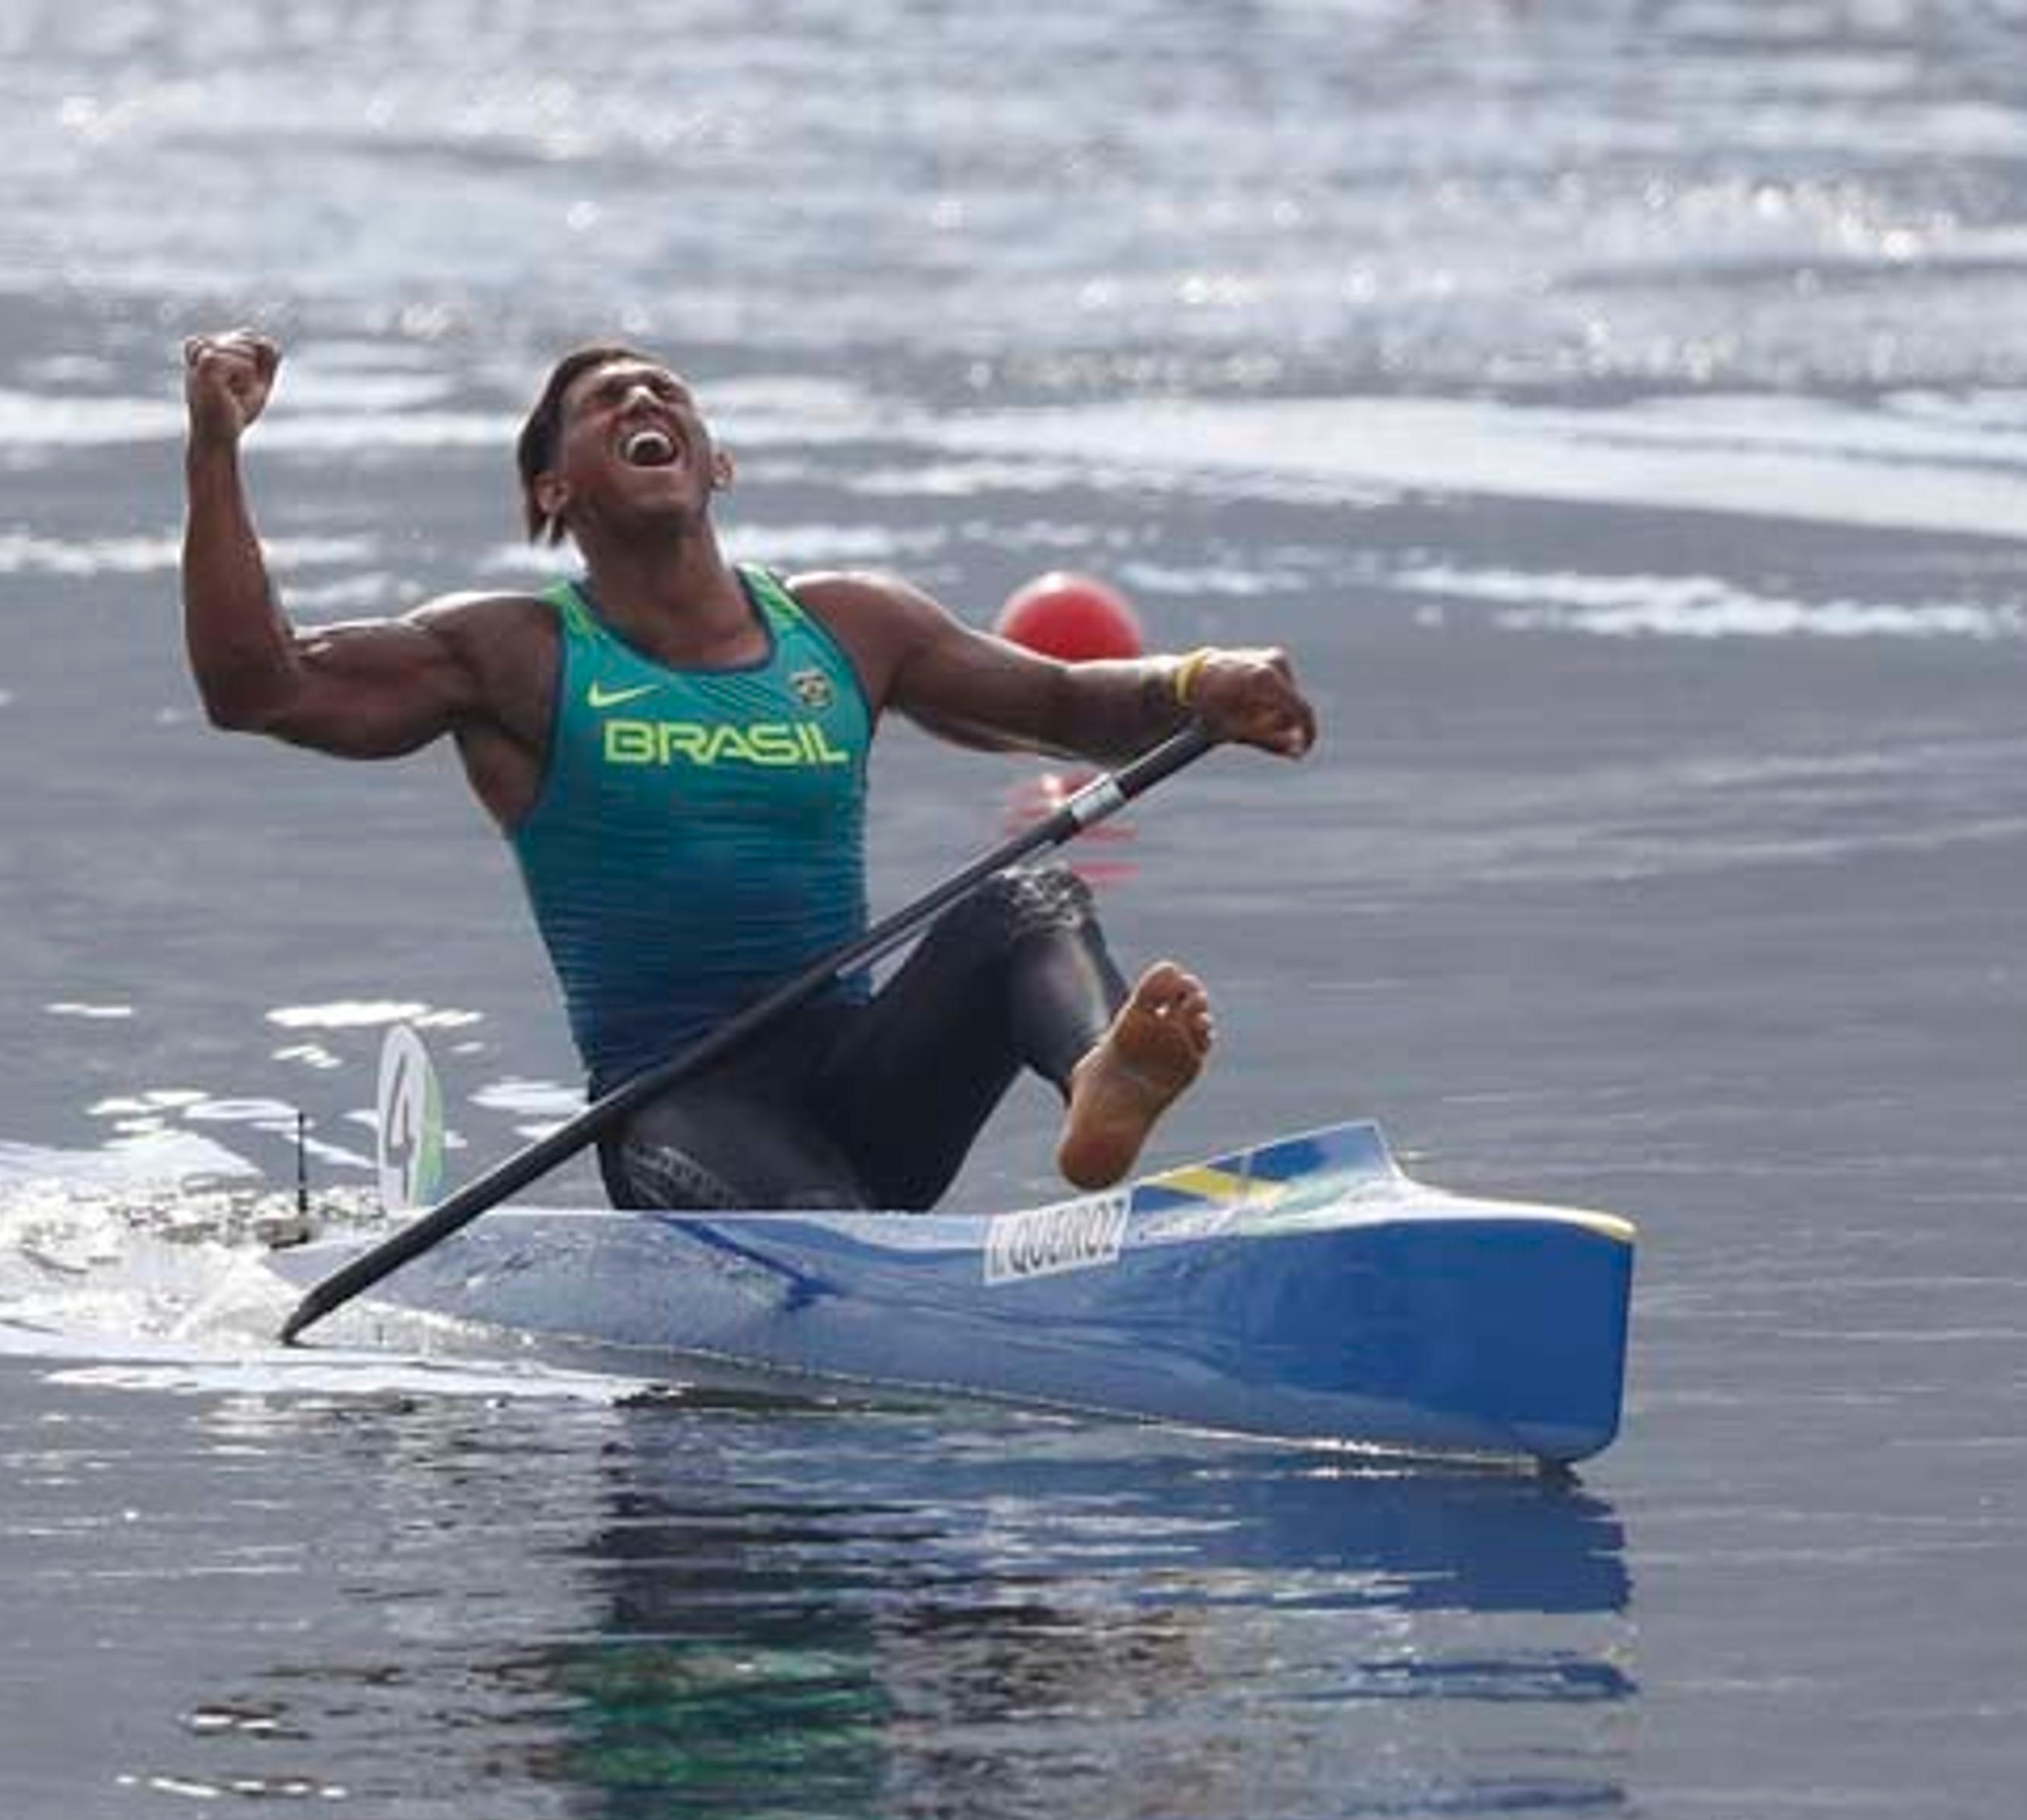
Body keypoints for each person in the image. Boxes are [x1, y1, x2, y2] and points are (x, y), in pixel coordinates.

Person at [178, 333, 1319, 1212]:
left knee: (1028, 900)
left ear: (715, 462)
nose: (640, 400)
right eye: (600, 403)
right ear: (553, 493)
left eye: (664, 390)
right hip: (676, 1106)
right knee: (818, 1217)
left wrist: (1194, 678)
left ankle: (1101, 1079)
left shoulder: (854, 627)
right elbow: (259, 687)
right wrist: (216, 450)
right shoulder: (510, 654)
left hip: (869, 1079)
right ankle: (854, 1257)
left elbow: (1066, 706)